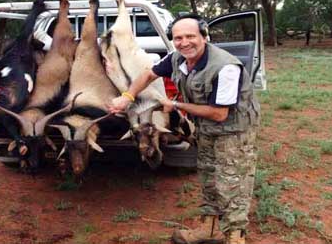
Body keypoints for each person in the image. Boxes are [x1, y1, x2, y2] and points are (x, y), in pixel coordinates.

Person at [109, 14, 260, 244]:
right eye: (178, 38)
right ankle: (208, 230)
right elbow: (149, 74)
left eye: (191, 36)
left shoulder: (226, 67)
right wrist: (127, 97)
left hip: (233, 132)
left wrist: (176, 105)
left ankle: (235, 237)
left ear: (204, 36)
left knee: (232, 183)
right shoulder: (177, 58)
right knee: (209, 177)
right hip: (206, 129)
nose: (184, 42)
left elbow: (220, 113)